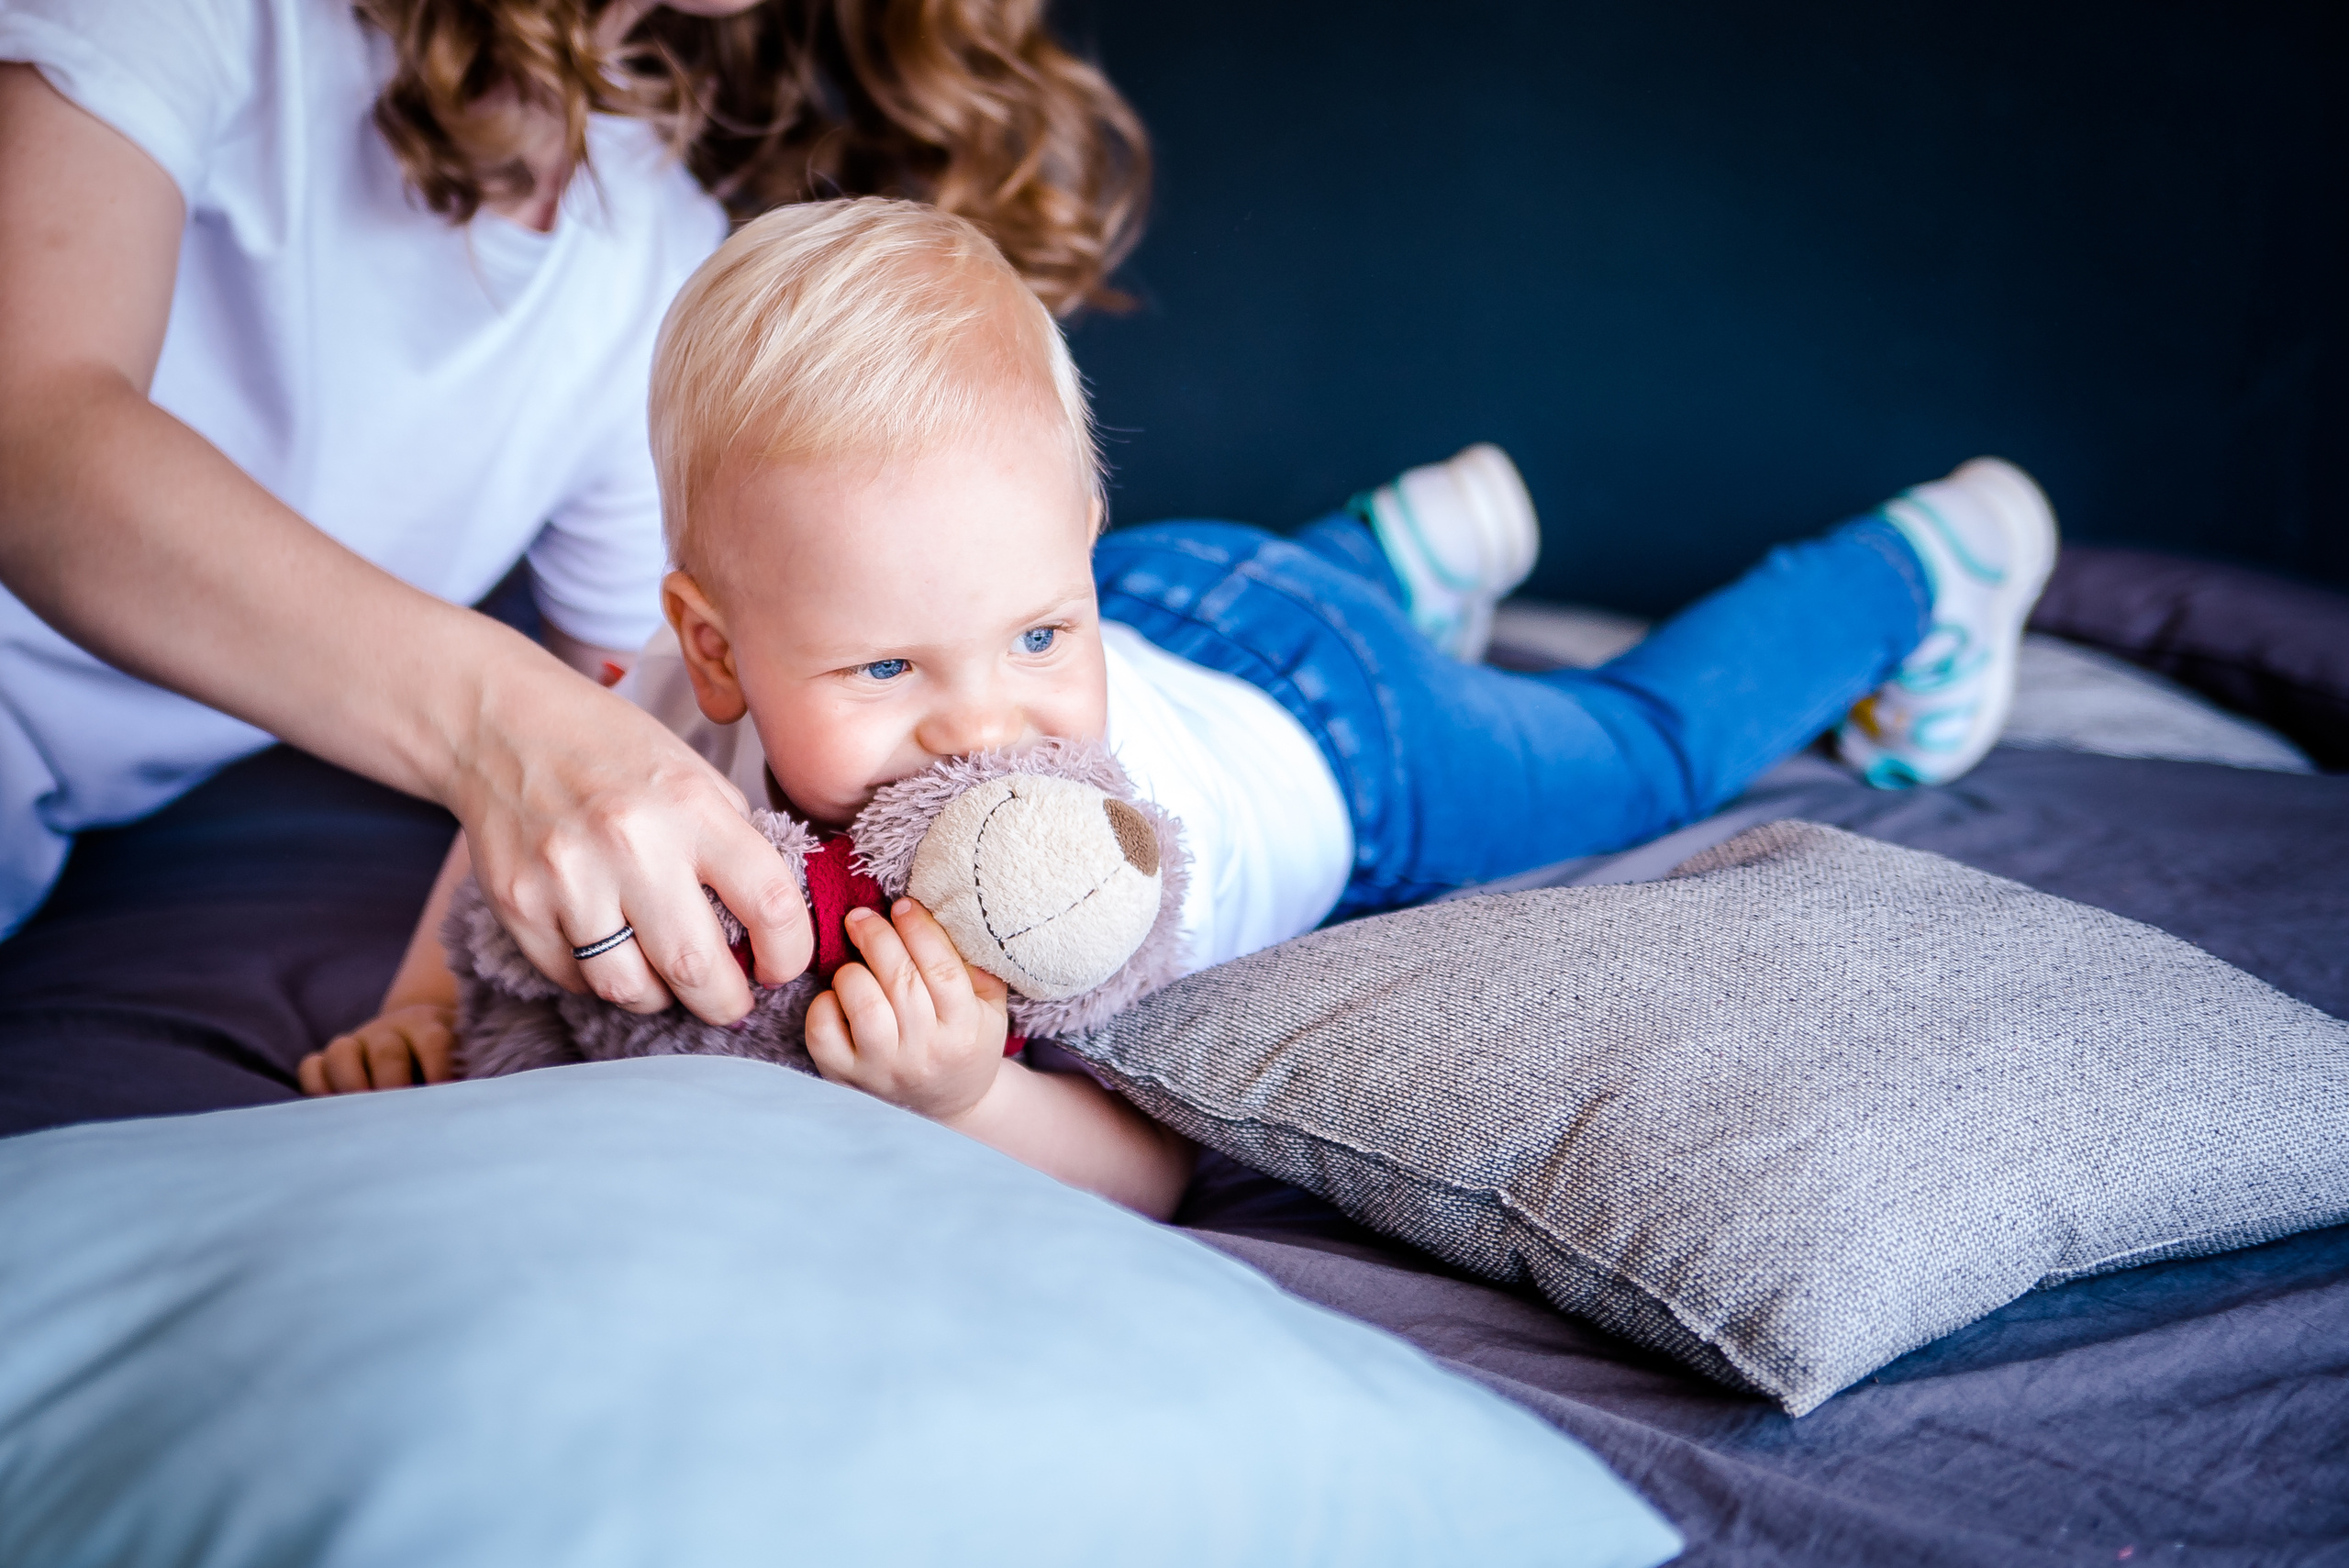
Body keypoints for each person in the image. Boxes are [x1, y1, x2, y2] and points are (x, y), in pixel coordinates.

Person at [303, 198, 2058, 1221]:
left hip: (1356, 743)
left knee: (1633, 753)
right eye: (888, 669)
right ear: (716, 645)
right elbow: (515, 798)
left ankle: (1921, 565)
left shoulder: (1105, 845)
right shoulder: (691, 724)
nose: (987, 730)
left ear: (1077, 538)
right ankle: (1404, 542)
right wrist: (424, 996)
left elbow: (1148, 1171)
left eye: (1022, 637)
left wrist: (969, 1092)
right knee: (1229, 613)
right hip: (1177, 604)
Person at [0, 0, 1148, 1124]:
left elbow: (639, 736)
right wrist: (496, 749)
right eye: (890, 669)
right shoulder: (186, 25)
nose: (977, 729)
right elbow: (27, 432)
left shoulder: (651, 250)